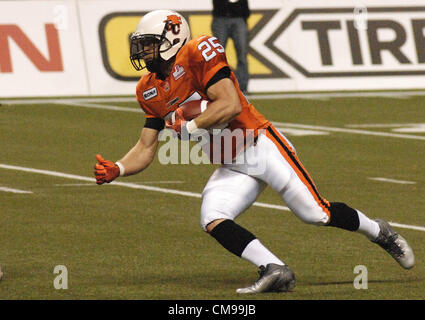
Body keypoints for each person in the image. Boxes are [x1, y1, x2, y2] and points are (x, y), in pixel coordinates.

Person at [94, 10, 415, 294]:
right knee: (212, 216)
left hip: (260, 144)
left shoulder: (197, 52)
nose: (143, 50)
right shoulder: (148, 89)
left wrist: (190, 128)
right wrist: (119, 169)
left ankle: (379, 231)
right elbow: (146, 145)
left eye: (149, 42)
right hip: (232, 164)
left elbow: (230, 104)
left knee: (316, 213)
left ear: (171, 37)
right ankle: (275, 269)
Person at [211, 0, 250, 94]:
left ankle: (242, 87)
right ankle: (217, 86)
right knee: (218, 55)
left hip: (239, 18)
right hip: (220, 17)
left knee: (242, 53)